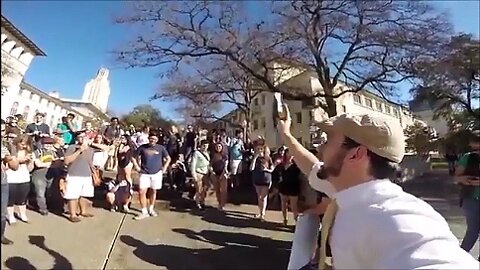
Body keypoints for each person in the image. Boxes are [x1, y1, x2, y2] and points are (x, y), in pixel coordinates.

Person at [275, 106, 479, 269]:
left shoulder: (396, 217)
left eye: (328, 140)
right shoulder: (349, 191)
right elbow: (312, 167)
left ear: (355, 155)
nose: (320, 146)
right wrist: (286, 135)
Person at [132, 131, 171, 220]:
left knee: (153, 191)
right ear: (148, 139)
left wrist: (164, 168)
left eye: (154, 139)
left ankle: (151, 209)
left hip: (157, 173)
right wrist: (137, 167)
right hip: (144, 173)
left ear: (157, 139)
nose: (152, 140)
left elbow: (168, 158)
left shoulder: (161, 148)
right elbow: (134, 157)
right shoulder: (142, 147)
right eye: (151, 138)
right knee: (142, 191)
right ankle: (144, 212)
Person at [455, 130, 480, 260]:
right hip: (470, 198)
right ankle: (459, 257)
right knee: (473, 231)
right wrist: (467, 180)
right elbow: (458, 177)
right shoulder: (467, 157)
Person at [6, 135, 34, 224]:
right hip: (11, 179)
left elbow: (30, 169)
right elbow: (13, 166)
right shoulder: (12, 152)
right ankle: (11, 216)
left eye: (26, 144)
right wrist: (20, 160)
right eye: (22, 144)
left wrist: (30, 161)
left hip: (24, 178)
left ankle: (23, 215)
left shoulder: (29, 153)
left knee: (22, 199)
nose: (24, 146)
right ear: (17, 143)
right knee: (10, 200)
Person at [1, 119, 19, 245]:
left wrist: (10, 159)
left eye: (2, 130)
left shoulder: (7, 145)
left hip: (2, 182)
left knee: (2, 211)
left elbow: (15, 166)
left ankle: (1, 235)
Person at [250, 140, 274, 221]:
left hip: (265, 179)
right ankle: (260, 212)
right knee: (259, 197)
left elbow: (272, 169)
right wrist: (255, 158)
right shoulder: (255, 158)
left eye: (261, 149)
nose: (259, 150)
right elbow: (251, 168)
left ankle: (263, 213)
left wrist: (266, 169)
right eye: (258, 149)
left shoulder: (267, 158)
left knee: (263, 197)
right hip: (257, 179)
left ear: (263, 149)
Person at [190, 140, 211, 210]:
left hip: (206, 174)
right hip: (198, 173)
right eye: (204, 146)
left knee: (205, 189)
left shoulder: (207, 153)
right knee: (199, 189)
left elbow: (208, 163)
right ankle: (198, 203)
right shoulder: (196, 153)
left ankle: (202, 201)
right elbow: (193, 164)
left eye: (206, 146)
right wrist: (194, 175)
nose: (205, 147)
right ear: (201, 146)